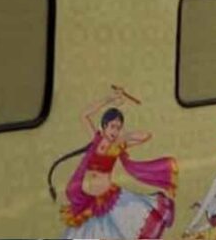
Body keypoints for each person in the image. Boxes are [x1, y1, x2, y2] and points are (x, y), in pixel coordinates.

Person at [47, 88, 177, 239]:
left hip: (110, 200)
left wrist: (125, 136)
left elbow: (145, 136)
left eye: (118, 127)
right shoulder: (96, 139)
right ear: (104, 126)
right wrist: (109, 99)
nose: (115, 131)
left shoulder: (117, 146)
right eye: (112, 126)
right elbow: (84, 115)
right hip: (87, 202)